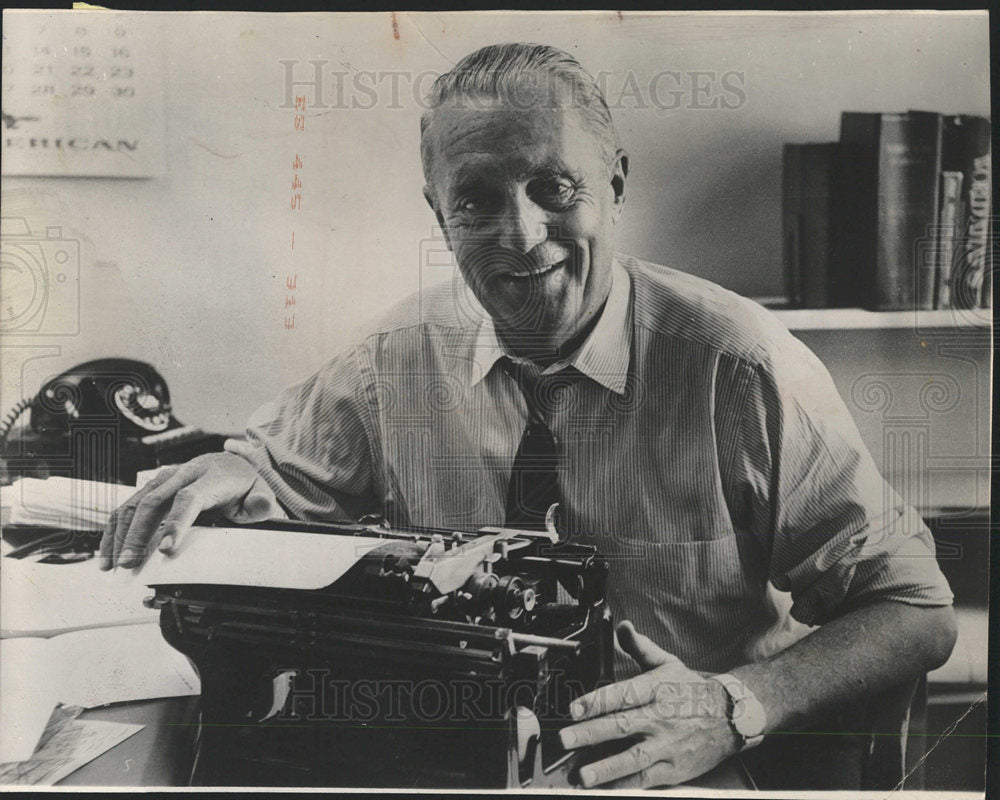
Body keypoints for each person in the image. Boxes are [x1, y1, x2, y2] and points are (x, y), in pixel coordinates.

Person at [99, 43, 956, 790]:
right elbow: (273, 472)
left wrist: (735, 705)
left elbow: (915, 610)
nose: (521, 233)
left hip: (672, 757)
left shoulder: (742, 369)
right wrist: (234, 470)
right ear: (439, 214)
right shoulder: (390, 359)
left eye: (554, 186)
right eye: (475, 199)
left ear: (616, 182)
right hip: (449, 756)